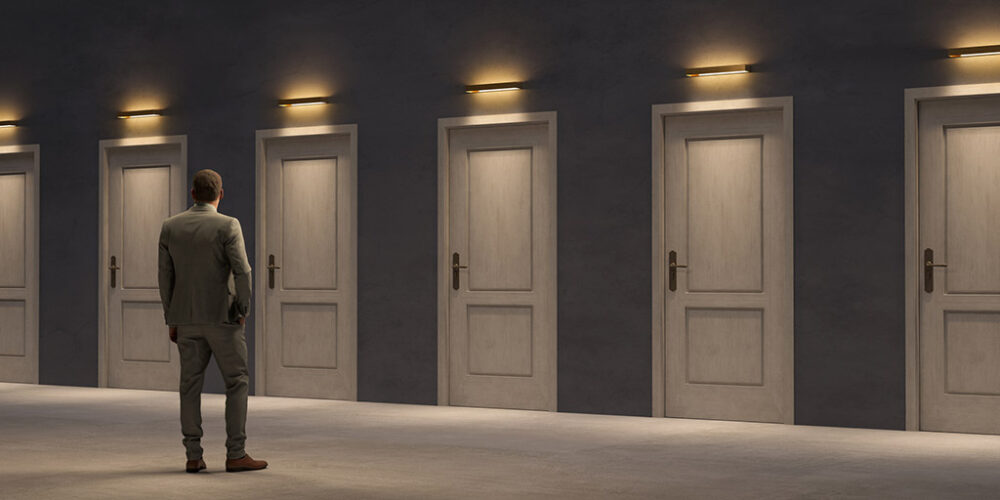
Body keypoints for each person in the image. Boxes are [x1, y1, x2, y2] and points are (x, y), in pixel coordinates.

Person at [157, 169, 267, 473]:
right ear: (221, 194)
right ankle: (236, 453)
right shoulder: (228, 225)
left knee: (189, 386)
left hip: (186, 319)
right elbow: (243, 271)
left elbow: (165, 277)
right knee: (237, 381)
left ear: (192, 194)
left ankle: (193, 455)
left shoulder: (170, 227)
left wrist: (172, 317)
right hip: (223, 318)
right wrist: (242, 309)